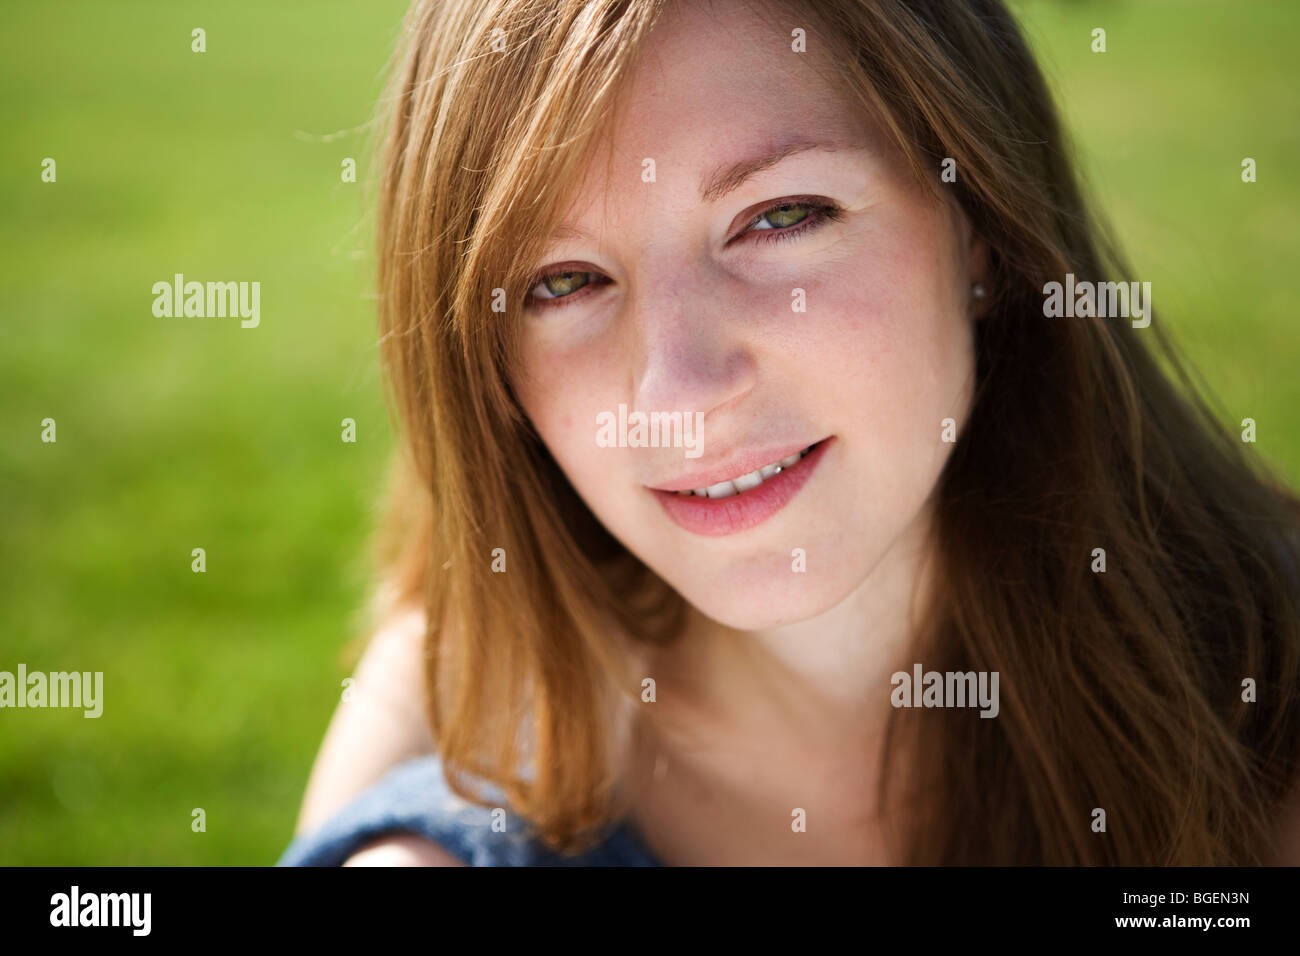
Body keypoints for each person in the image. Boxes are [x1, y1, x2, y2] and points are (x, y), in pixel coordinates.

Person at [278, 0, 1300, 866]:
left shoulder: (1268, 695)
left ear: (980, 225)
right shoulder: (453, 701)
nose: (678, 388)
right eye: (564, 281)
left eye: (780, 217)